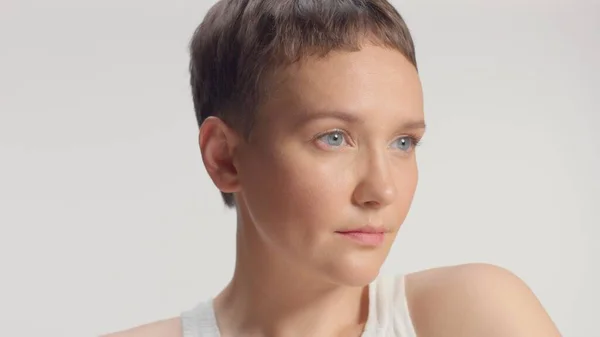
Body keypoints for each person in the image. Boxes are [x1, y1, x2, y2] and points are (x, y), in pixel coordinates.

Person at [104, 0, 561, 336]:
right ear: (224, 157)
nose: (381, 189)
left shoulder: (476, 316)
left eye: (404, 142)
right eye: (334, 138)